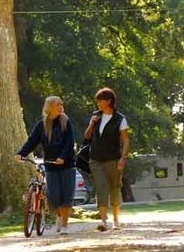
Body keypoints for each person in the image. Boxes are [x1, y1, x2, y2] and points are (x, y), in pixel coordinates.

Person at [15, 96, 76, 235]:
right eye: (57, 105)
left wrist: (62, 157)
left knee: (67, 197)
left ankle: (65, 225)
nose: (61, 107)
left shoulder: (66, 122)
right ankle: (59, 216)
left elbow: (69, 143)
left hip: (67, 165)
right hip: (51, 165)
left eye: (61, 104)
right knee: (53, 197)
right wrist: (21, 153)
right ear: (49, 108)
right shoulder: (41, 125)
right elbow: (32, 141)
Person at [84, 87, 130, 231]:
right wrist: (92, 123)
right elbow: (87, 136)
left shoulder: (119, 119)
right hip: (95, 159)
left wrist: (123, 158)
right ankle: (103, 221)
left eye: (100, 101)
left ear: (109, 101)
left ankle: (116, 220)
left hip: (113, 159)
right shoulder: (96, 116)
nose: (98, 103)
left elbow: (126, 140)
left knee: (114, 188)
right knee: (101, 188)